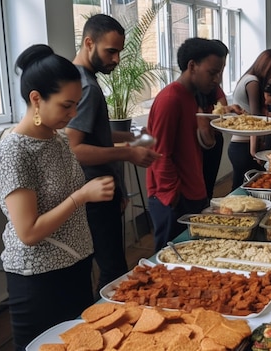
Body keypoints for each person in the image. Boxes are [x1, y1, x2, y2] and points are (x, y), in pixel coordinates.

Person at [0, 44, 115, 351]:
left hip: (75, 267)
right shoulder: (14, 150)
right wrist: (81, 196)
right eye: (66, 106)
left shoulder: (58, 138)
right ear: (36, 99)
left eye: (76, 105)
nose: (73, 114)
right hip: (39, 280)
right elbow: (29, 232)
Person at [66, 14, 161, 290]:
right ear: (88, 43)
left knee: (109, 267)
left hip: (99, 190)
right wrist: (128, 153)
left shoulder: (82, 80)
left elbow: (94, 133)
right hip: (91, 193)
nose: (117, 59)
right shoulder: (85, 87)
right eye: (111, 51)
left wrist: (131, 137)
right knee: (113, 271)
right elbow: (76, 149)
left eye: (119, 51)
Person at [146, 38, 230, 253]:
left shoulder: (191, 97)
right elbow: (159, 153)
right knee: (169, 261)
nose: (217, 79)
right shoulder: (170, 99)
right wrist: (172, 197)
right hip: (174, 199)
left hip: (193, 192)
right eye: (212, 72)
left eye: (219, 72)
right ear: (192, 66)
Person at [229, 49, 271, 190]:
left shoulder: (247, 78)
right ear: (265, 66)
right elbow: (255, 120)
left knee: (242, 187)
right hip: (244, 147)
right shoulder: (253, 82)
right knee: (245, 189)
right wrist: (255, 152)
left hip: (240, 146)